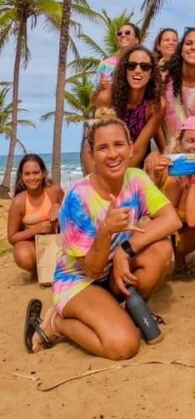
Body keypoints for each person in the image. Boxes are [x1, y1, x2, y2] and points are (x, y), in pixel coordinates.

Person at [24, 110, 181, 359]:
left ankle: (124, 310)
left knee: (161, 250)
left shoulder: (136, 179)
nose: (112, 154)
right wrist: (106, 231)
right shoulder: (78, 198)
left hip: (112, 272)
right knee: (124, 346)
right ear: (92, 155)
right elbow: (92, 271)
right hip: (80, 279)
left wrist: (124, 250)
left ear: (130, 148)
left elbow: (171, 220)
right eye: (102, 148)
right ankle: (57, 323)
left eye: (118, 144)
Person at [148, 116, 195, 275]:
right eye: (191, 140)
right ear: (180, 143)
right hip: (156, 240)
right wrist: (153, 174)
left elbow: (194, 221)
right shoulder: (164, 167)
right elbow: (147, 213)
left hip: (182, 244)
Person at [85, 45, 166, 175]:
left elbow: (139, 148)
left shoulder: (155, 105)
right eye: (132, 65)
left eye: (145, 67)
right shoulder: (107, 98)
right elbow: (93, 143)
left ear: (151, 73)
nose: (138, 70)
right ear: (124, 69)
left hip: (134, 161)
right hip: (103, 159)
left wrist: (120, 180)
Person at [7, 155, 64, 276]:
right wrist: (35, 230)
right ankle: (39, 272)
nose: (32, 177)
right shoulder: (19, 202)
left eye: (36, 173)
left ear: (43, 173)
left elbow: (73, 219)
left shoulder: (55, 191)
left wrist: (58, 207)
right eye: (27, 174)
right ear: (21, 177)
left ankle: (53, 268)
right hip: (33, 244)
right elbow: (12, 237)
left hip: (57, 240)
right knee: (23, 256)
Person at [91, 21, 141, 109]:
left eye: (127, 33)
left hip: (136, 115)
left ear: (136, 39)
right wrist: (99, 89)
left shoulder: (143, 64)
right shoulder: (106, 64)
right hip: (110, 115)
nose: (123, 35)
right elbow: (93, 101)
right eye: (119, 33)